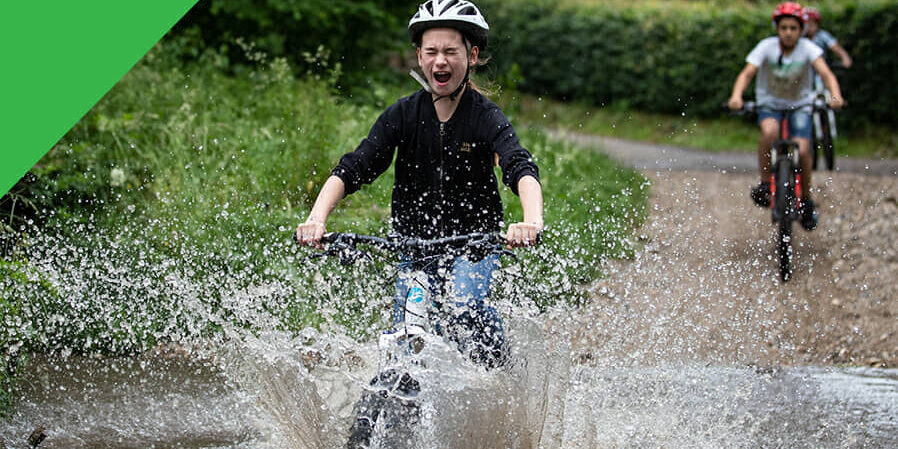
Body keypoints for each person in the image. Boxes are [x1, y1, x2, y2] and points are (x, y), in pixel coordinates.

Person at [295, 0, 543, 368]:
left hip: (474, 246)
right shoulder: (403, 114)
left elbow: (519, 167)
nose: (440, 61)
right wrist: (316, 219)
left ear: (472, 55)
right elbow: (355, 166)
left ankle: (499, 368)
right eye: (431, 52)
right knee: (403, 341)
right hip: (415, 250)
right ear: (419, 56)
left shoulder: (486, 117)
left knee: (463, 308)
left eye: (450, 52)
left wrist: (531, 222)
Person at [728, 2, 844, 231]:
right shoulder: (766, 47)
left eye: (793, 28)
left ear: (801, 30)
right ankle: (764, 183)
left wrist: (835, 95)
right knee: (769, 132)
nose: (788, 32)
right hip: (769, 105)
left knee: (802, 149)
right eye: (784, 28)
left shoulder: (809, 49)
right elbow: (747, 73)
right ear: (777, 29)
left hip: (800, 105)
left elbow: (826, 74)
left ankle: (806, 199)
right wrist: (736, 96)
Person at [803, 7, 853, 77]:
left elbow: (835, 47)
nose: (811, 25)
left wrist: (844, 57)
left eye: (814, 22)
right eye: (808, 22)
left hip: (819, 71)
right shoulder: (800, 38)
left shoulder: (822, 35)